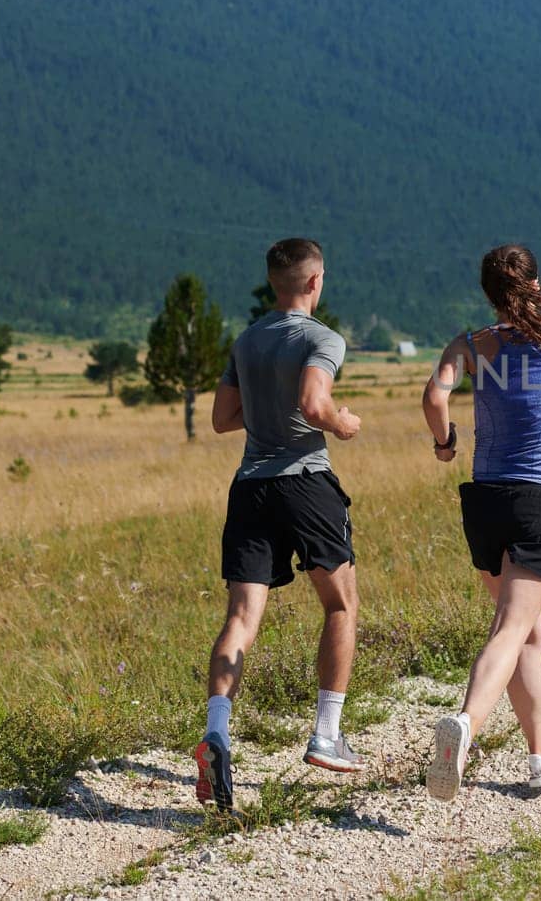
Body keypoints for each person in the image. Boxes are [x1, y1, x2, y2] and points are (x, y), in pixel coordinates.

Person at [421, 244, 541, 800]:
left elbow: (434, 396)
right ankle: (465, 725)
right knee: (512, 628)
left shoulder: (470, 345)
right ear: (535, 285)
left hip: (485, 502)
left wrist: (445, 442)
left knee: (528, 631)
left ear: (489, 293)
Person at [193, 238, 365, 811]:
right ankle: (326, 734)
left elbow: (221, 419)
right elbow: (316, 404)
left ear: (274, 283)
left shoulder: (246, 340)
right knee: (340, 604)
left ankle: (217, 730)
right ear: (315, 282)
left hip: (250, 488)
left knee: (241, 618)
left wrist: (266, 406)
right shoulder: (321, 337)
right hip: (304, 482)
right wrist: (340, 424)